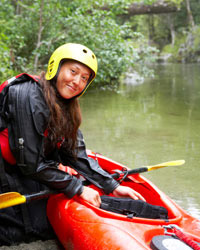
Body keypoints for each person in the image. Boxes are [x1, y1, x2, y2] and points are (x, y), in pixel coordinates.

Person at [0, 43, 144, 246]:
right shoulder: (27, 95)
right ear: (56, 68)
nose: (77, 81)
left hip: (23, 165)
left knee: (47, 220)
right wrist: (78, 188)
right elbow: (31, 164)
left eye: (84, 78)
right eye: (73, 71)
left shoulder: (66, 105)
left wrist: (111, 185)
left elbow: (74, 153)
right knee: (28, 232)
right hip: (10, 168)